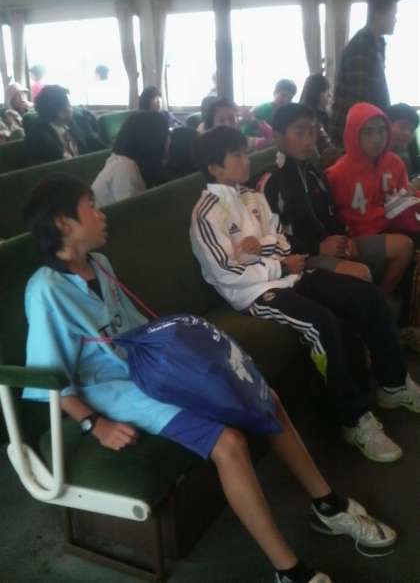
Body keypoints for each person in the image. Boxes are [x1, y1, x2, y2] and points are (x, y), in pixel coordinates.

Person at [22, 173, 397, 583]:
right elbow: (47, 378)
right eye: (91, 207)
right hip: (115, 390)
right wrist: (95, 424)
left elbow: (140, 328)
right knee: (228, 443)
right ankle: (288, 571)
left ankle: (328, 505)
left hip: (150, 368)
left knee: (263, 397)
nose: (101, 214)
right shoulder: (45, 291)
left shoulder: (101, 265)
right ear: (63, 223)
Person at [191, 126, 420, 463]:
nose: (246, 160)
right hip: (254, 293)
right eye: (236, 156)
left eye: (244, 152)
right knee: (321, 322)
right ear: (214, 167)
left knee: (364, 294)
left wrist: (261, 249)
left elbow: (281, 241)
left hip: (289, 274)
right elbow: (227, 272)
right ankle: (354, 419)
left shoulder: (253, 197)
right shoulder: (206, 213)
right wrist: (277, 264)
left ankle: (394, 385)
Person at [260, 103, 414, 297]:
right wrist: (318, 247)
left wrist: (344, 238)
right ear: (278, 137)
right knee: (360, 272)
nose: (308, 140)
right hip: (300, 255)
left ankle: (383, 300)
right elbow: (270, 236)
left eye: (312, 132)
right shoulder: (272, 182)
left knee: (404, 245)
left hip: (331, 244)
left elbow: (332, 213)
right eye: (299, 133)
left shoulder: (314, 174)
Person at [326, 103, 415, 240]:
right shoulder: (337, 174)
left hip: (394, 226)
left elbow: (405, 203)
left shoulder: (396, 163)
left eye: (382, 130)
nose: (377, 139)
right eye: (368, 132)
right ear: (354, 135)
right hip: (358, 237)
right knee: (403, 244)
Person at [330, 0, 400, 146]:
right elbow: (359, 100)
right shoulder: (362, 44)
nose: (395, 20)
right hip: (356, 131)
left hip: (368, 127)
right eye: (393, 15)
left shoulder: (378, 43)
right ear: (378, 15)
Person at [92, 111, 169, 206]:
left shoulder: (133, 162)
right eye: (167, 135)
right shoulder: (125, 168)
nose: (169, 140)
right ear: (153, 141)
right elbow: (132, 211)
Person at [24, 85, 103, 165]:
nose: (72, 108)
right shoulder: (36, 135)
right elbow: (40, 168)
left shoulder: (78, 121)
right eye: (69, 105)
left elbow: (95, 143)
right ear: (61, 113)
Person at [204, 97, 272, 151]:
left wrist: (253, 121)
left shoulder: (242, 141)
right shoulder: (208, 148)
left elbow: (271, 140)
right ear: (212, 126)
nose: (228, 124)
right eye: (221, 120)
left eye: (232, 119)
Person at [386, 103, 420, 188]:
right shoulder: (376, 155)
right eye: (403, 127)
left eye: (412, 130)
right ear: (387, 125)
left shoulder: (409, 150)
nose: (408, 133)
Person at [300, 74, 332, 154]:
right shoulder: (308, 116)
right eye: (326, 92)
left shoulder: (324, 113)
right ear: (317, 93)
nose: (329, 95)